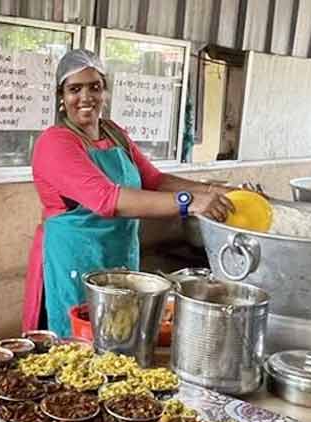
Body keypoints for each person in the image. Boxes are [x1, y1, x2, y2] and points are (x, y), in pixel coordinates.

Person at [25, 49, 236, 336]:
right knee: (79, 346)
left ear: (105, 91)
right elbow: (107, 199)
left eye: (94, 87)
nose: (86, 97)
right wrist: (190, 202)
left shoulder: (114, 133)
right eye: (75, 89)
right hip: (74, 259)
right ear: (61, 96)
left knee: (120, 338)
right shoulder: (55, 143)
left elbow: (154, 180)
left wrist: (213, 190)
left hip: (118, 254)